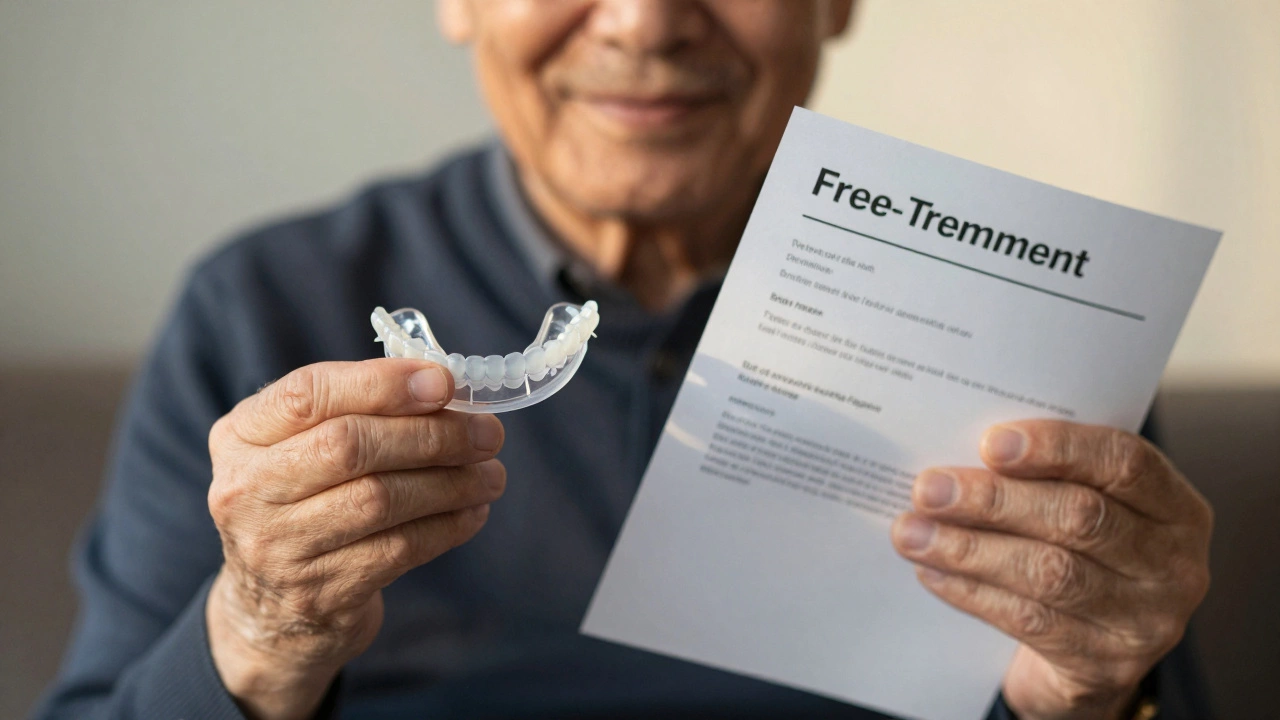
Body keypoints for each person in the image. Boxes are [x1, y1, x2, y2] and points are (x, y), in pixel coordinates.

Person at [35, 2, 1213, 719]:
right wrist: (259, 630)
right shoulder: (259, 310)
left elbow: (1145, 695)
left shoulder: (1031, 330)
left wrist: (1091, 695)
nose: (645, 21)